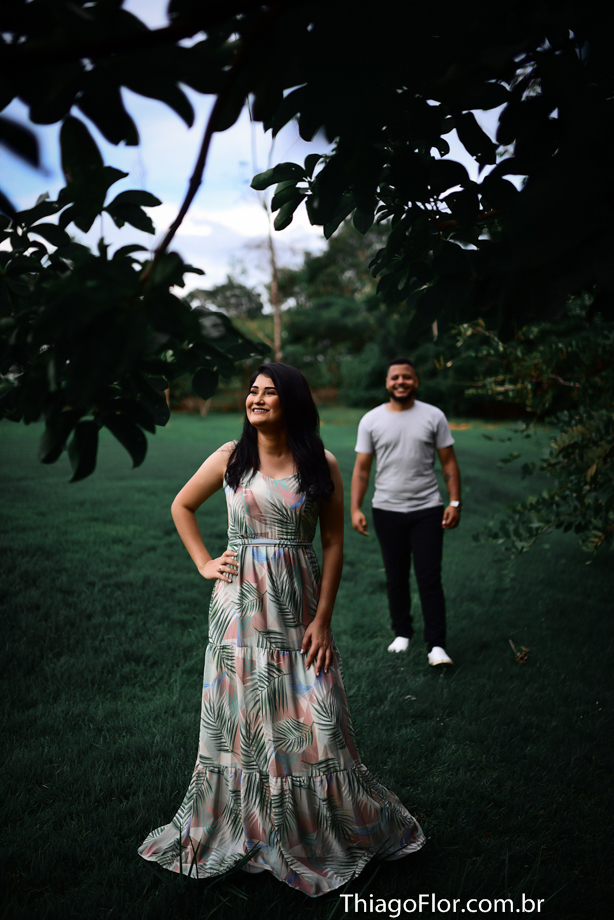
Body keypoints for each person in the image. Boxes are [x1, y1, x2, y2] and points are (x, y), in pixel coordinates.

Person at [138, 363, 425, 896]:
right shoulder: (230, 458)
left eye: (269, 392)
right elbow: (182, 505)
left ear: (291, 401)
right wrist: (204, 562)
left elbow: (333, 543)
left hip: (299, 610)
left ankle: (315, 827)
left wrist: (323, 619)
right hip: (238, 610)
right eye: (252, 391)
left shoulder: (321, 463)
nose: (257, 398)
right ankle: (250, 821)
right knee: (244, 720)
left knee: (317, 716)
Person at [350, 357, 461, 666]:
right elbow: (362, 469)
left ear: (416, 381)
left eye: (407, 377)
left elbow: (448, 461)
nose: (401, 381)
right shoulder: (371, 420)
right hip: (386, 509)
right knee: (396, 576)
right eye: (395, 377)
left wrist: (454, 502)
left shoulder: (434, 416)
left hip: (427, 509)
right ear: (387, 383)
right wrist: (355, 507)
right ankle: (402, 633)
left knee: (429, 577)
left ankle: (436, 645)